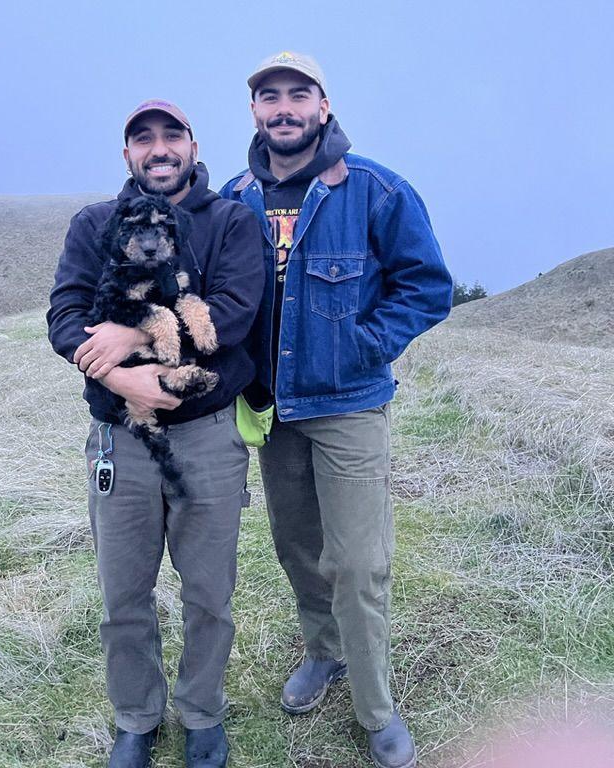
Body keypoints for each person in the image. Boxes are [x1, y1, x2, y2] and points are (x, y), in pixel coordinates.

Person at [220, 52, 453, 768]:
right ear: (255, 111)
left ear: (323, 106)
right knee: (298, 550)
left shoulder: (377, 189)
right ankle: (323, 654)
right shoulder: (233, 197)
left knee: (358, 560)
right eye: (270, 97)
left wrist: (362, 345)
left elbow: (427, 285)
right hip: (272, 411)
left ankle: (376, 707)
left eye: (299, 94)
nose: (284, 107)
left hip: (349, 403)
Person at [47, 99, 264, 768]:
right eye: (144, 138)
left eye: (173, 135)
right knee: (124, 596)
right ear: (128, 155)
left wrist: (134, 335)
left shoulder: (230, 221)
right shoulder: (93, 224)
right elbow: (64, 318)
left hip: (207, 436)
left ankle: (202, 714)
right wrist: (128, 383)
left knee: (208, 594)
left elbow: (233, 313)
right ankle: (137, 719)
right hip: (120, 437)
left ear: (194, 147)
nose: (159, 148)